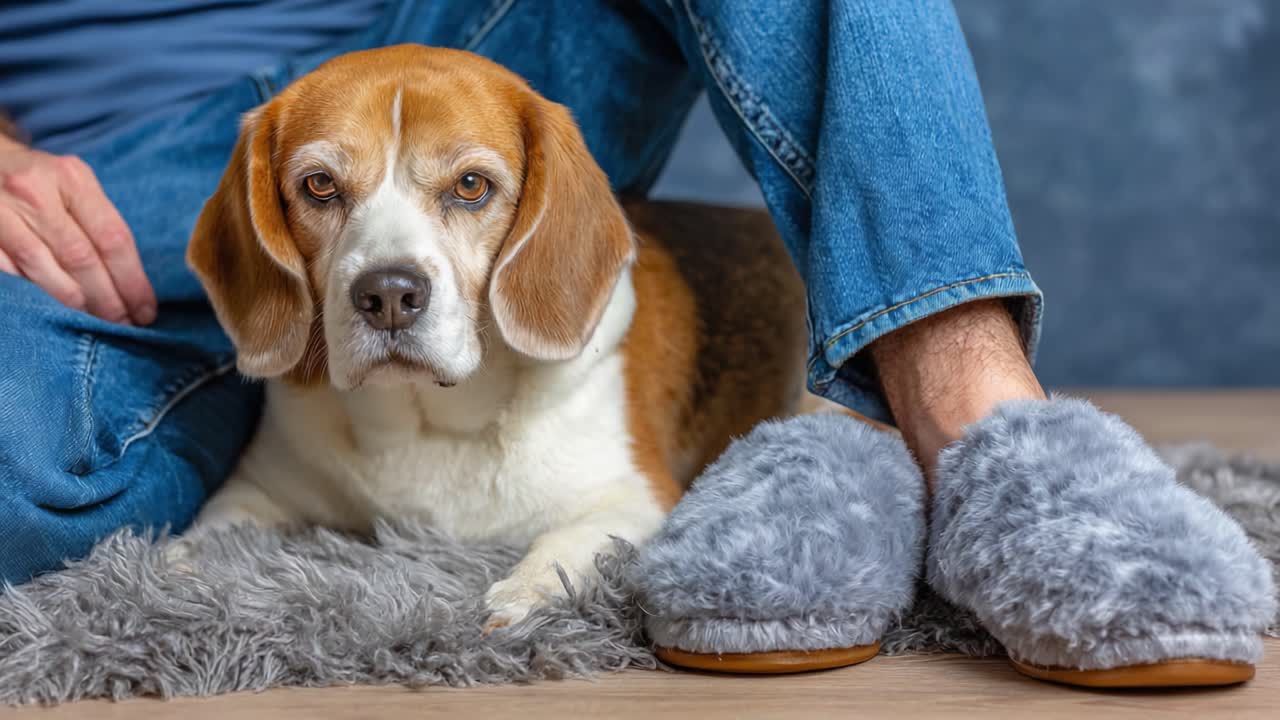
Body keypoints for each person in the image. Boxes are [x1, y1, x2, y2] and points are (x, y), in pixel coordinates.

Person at [3, 1, 1268, 683]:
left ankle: (982, 424)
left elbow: (610, 503)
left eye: (470, 195)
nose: (388, 284)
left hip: (473, 36)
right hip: (89, 188)